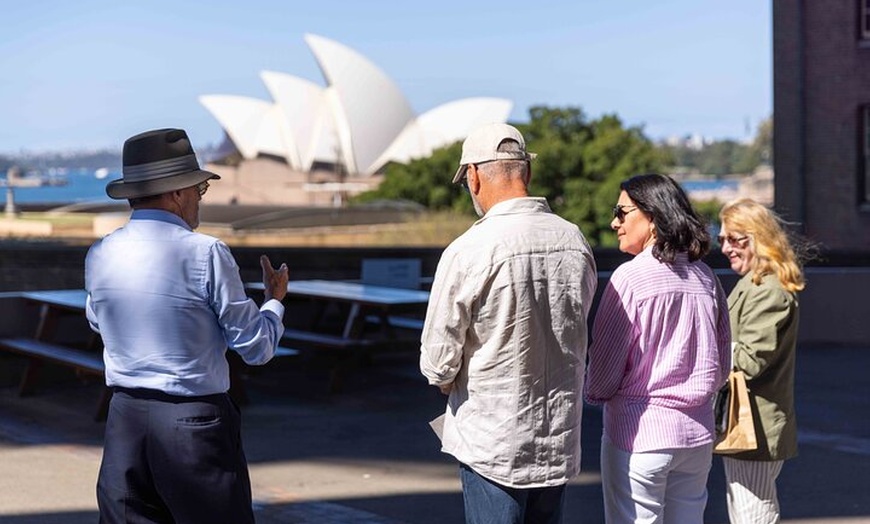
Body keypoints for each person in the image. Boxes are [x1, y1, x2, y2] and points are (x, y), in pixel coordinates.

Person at [85, 128, 289, 524]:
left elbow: (99, 321)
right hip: (194, 422)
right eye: (199, 190)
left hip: (125, 418)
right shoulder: (206, 252)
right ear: (177, 193)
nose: (199, 199)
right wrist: (275, 302)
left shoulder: (101, 252)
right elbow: (256, 348)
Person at [419, 123, 598, 524]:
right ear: (527, 173)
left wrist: (453, 379)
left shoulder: (469, 250)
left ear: (474, 175)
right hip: (557, 438)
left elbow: (437, 362)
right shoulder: (575, 240)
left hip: (492, 440)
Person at [585, 173, 731, 523]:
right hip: (695, 435)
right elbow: (723, 361)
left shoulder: (630, 278)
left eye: (621, 212)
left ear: (652, 215)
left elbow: (604, 369)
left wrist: (595, 394)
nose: (614, 222)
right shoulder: (706, 278)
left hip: (640, 433)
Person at [718, 198, 804, 524]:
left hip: (755, 424)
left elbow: (750, 360)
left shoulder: (768, 289)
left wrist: (702, 346)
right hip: (746, 422)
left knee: (753, 512)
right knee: (745, 508)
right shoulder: (754, 282)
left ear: (759, 237)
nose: (726, 247)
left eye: (735, 238)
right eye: (722, 239)